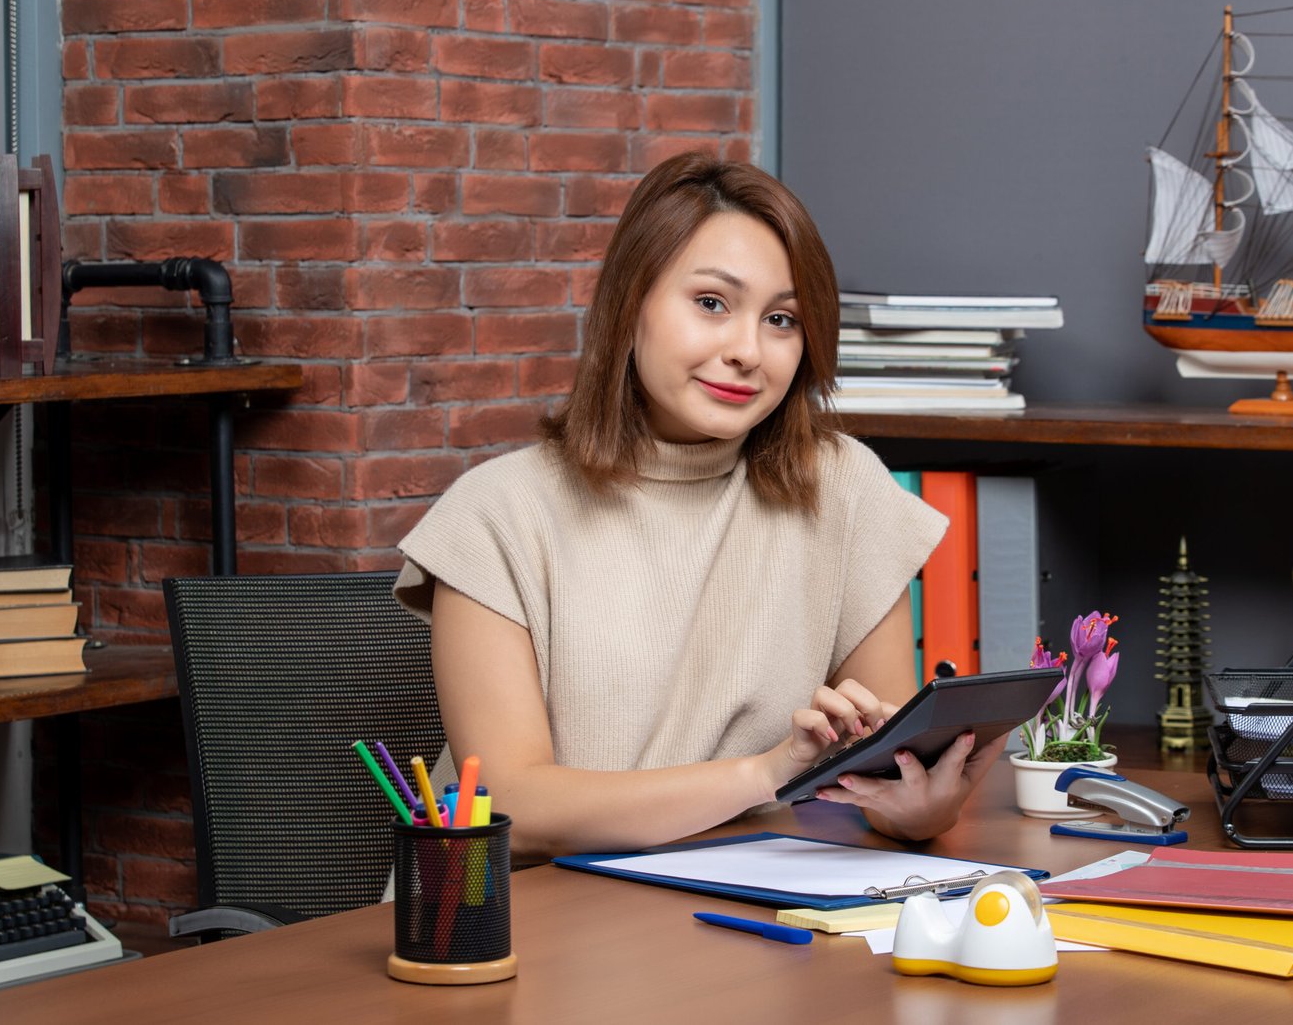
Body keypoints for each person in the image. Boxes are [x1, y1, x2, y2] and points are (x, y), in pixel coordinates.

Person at [394, 152, 1004, 860]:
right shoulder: (497, 515)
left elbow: (885, 774)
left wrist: (921, 805)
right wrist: (763, 773)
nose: (749, 350)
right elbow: (513, 802)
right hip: (524, 926)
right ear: (631, 305)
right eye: (712, 303)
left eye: (782, 319)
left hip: (736, 917)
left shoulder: (845, 490)